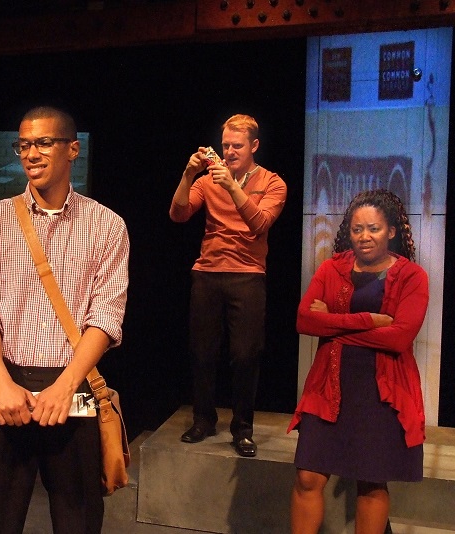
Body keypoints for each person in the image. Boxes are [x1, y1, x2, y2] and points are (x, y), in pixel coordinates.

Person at [0, 106, 129, 534]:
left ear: (73, 148)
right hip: (5, 387)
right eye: (24, 145)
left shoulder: (107, 225)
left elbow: (106, 316)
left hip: (73, 387)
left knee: (79, 521)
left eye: (43, 143)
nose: (31, 153)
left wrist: (66, 384)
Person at [288, 189, 427, 534]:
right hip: (329, 385)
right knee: (307, 476)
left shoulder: (412, 277)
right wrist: (369, 320)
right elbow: (305, 321)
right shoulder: (332, 268)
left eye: (374, 229)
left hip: (381, 392)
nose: (364, 237)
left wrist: (332, 324)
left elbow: (399, 337)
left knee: (371, 482)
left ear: (391, 231)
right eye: (357, 229)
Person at [169, 114, 286, 457]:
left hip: (248, 274)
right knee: (202, 351)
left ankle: (243, 428)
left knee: (245, 354)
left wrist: (232, 185)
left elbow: (259, 224)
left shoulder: (272, 182)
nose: (230, 152)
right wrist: (190, 173)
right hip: (207, 272)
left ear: (254, 146)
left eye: (237, 146)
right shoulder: (207, 181)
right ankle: (203, 419)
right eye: (225, 146)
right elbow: (178, 214)